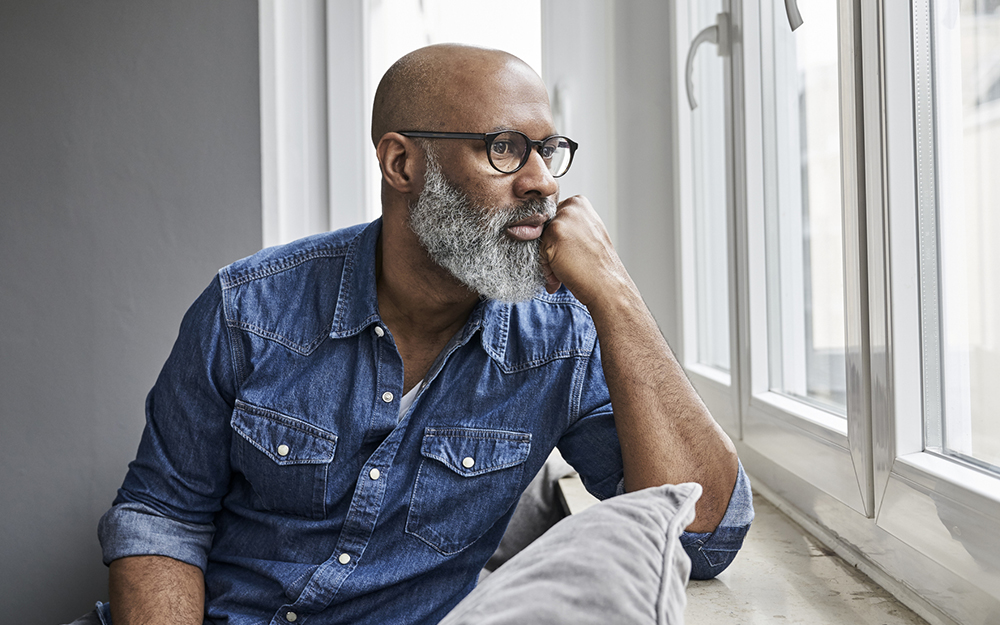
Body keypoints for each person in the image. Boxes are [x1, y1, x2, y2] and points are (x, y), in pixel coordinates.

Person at [94, 43, 752, 625]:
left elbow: (702, 537)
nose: (544, 182)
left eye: (549, 150)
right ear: (401, 163)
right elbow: (162, 519)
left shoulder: (562, 341)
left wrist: (618, 296)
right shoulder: (247, 310)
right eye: (504, 148)